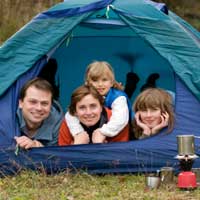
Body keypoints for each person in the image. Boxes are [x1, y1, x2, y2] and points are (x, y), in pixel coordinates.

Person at [65, 61, 133, 144]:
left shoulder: (118, 98)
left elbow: (120, 120)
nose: (100, 84)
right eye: (95, 80)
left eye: (104, 80)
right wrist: (78, 133)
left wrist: (103, 132)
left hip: (127, 133)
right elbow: (70, 114)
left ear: (111, 82)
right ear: (87, 83)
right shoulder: (85, 95)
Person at [58, 85, 129, 145]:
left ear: (101, 107)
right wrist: (76, 146)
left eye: (93, 106)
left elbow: (120, 158)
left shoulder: (117, 122)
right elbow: (62, 158)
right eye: (82, 107)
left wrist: (102, 147)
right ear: (75, 111)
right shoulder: (68, 124)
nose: (88, 112)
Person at [14, 77, 63, 149]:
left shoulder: (58, 122)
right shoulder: (9, 117)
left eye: (44, 103)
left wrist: (37, 146)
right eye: (33, 102)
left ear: (51, 105)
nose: (39, 108)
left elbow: (56, 156)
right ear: (21, 103)